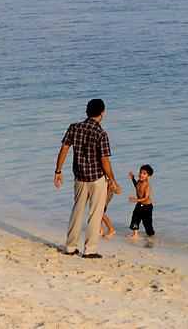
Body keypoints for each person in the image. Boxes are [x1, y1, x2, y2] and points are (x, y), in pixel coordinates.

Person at [54, 98, 121, 258]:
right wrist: (112, 180)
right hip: (97, 178)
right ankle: (90, 250)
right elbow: (104, 160)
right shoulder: (101, 133)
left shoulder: (74, 127)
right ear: (102, 113)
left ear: (86, 111)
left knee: (77, 211)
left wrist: (58, 171)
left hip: (79, 176)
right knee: (95, 213)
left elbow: (64, 149)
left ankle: (70, 247)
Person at [127, 164, 155, 238]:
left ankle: (151, 235)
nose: (141, 174)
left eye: (144, 173)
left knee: (147, 222)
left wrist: (136, 200)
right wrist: (133, 178)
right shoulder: (139, 181)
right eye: (140, 172)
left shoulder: (147, 186)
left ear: (149, 176)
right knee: (135, 218)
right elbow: (136, 186)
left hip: (147, 207)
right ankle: (135, 233)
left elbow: (146, 198)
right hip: (139, 205)